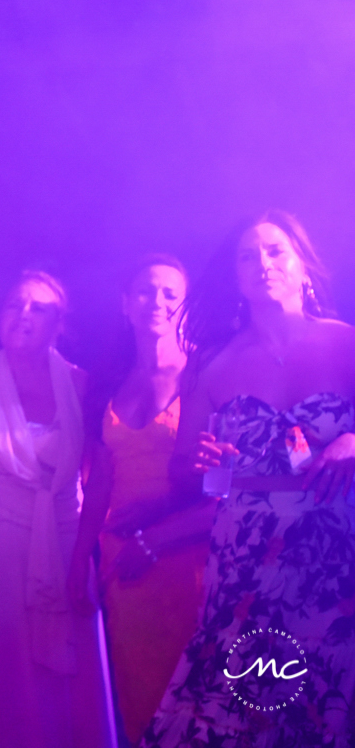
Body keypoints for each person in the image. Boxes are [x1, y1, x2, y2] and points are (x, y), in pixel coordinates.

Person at [140, 212, 355, 748]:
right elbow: (191, 474)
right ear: (235, 278)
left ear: (303, 265)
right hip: (245, 563)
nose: (262, 263)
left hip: (333, 558)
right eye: (247, 255)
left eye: (275, 251)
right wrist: (200, 466)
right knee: (240, 711)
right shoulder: (213, 366)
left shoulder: (346, 344)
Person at [0, 270, 115, 748]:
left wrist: (84, 558)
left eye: (38, 309)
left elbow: (101, 476)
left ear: (60, 325)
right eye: (14, 305)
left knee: (63, 674)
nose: (23, 315)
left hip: (63, 543)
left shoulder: (80, 384)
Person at [67, 256, 213, 743]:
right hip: (123, 567)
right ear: (126, 305)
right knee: (139, 704)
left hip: (190, 559)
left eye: (172, 294)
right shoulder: (108, 384)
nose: (159, 302)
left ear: (186, 309)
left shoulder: (205, 375)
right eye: (147, 291)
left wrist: (160, 526)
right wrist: (78, 564)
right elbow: (100, 486)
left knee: (197, 702)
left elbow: (224, 479)